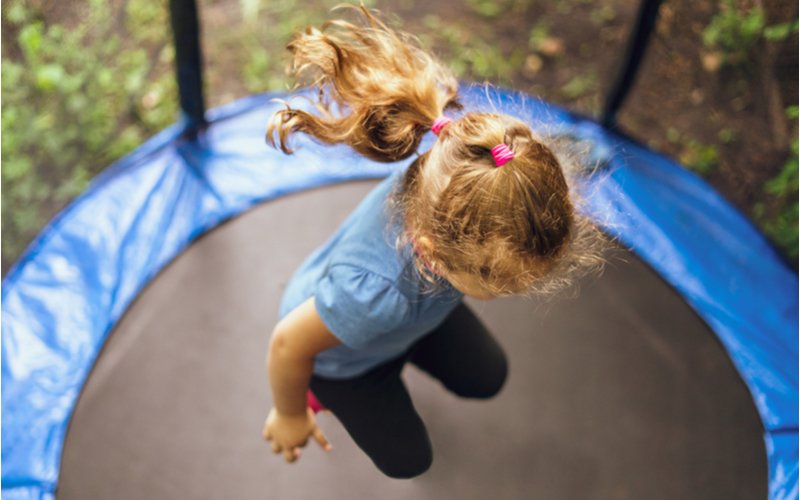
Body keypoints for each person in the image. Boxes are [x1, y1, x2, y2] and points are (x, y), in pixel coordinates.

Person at [262, 5, 603, 479]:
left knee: (487, 376)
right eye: (501, 283)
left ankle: (404, 347)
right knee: (408, 462)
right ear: (434, 254)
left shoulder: (471, 178)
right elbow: (286, 346)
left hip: (410, 317)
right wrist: (290, 412)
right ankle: (326, 392)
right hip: (342, 357)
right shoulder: (372, 295)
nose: (512, 291)